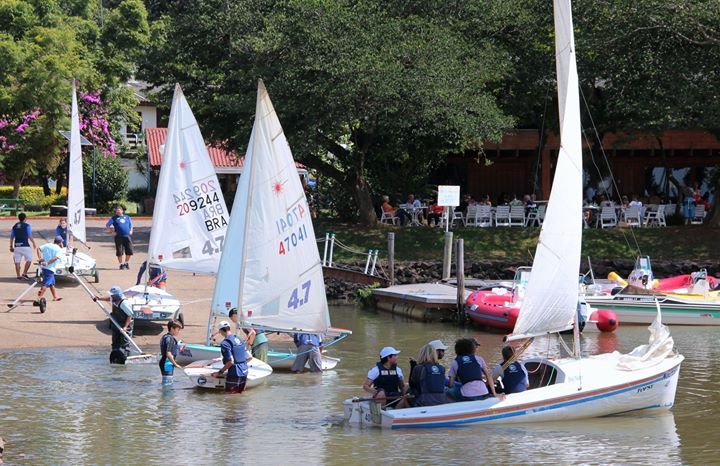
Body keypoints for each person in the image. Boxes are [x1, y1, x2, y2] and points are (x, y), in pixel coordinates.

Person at [94, 285, 134, 364]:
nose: (111, 296)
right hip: (116, 323)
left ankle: (126, 358)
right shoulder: (114, 298)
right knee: (115, 342)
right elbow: (109, 299)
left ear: (117, 295)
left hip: (125, 324)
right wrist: (98, 298)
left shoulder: (124, 303)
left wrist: (125, 327)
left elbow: (130, 315)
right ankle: (115, 357)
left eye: (113, 294)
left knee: (124, 343)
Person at [212, 320, 253, 394]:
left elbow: (230, 362)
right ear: (229, 328)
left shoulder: (225, 343)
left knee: (230, 396)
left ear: (221, 330)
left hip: (235, 373)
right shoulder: (239, 339)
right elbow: (250, 357)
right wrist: (240, 364)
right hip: (244, 371)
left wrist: (220, 372)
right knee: (240, 394)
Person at [36, 237, 64, 304]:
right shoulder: (59, 249)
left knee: (52, 283)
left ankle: (55, 297)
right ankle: (39, 298)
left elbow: (38, 249)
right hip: (50, 268)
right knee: (45, 284)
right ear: (60, 242)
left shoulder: (48, 245)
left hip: (44, 268)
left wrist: (40, 258)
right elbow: (55, 258)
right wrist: (48, 263)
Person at [9, 212, 37, 280]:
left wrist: (11, 246)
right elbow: (29, 235)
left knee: (17, 261)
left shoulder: (14, 226)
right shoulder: (27, 226)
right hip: (25, 245)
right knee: (29, 260)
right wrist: (33, 243)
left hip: (17, 246)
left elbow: (12, 237)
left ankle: (18, 275)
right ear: (25, 218)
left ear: (19, 218)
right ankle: (24, 273)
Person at [106, 206, 133, 270]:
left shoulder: (127, 217)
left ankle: (126, 263)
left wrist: (131, 231)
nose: (118, 212)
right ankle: (121, 264)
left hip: (127, 236)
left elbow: (131, 225)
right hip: (118, 237)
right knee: (119, 251)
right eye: (117, 211)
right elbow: (107, 225)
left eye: (119, 210)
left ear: (122, 211)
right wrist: (111, 232)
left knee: (129, 250)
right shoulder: (114, 218)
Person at [159, 319, 184, 384]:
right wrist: (175, 364)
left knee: (167, 382)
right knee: (167, 385)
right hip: (167, 364)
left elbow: (170, 350)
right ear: (172, 329)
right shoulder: (170, 339)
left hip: (165, 362)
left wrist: (179, 349)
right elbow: (168, 353)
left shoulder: (165, 336)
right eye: (178, 330)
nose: (178, 331)